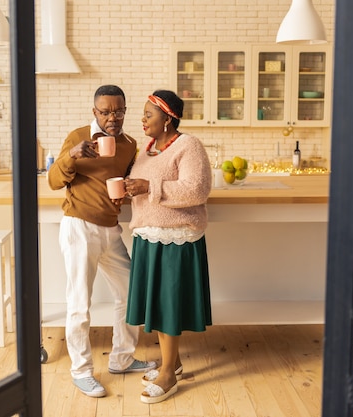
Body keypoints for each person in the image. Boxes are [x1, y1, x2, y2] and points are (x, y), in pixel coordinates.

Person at [47, 85, 156, 398]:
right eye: (106, 112)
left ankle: (122, 359)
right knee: (80, 303)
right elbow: (54, 181)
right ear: (95, 112)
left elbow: (121, 178)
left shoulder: (129, 144)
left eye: (118, 111)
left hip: (109, 230)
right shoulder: (78, 137)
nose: (113, 117)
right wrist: (72, 155)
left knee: (130, 291)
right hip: (79, 227)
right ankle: (81, 372)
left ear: (124, 110)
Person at [124, 89, 213, 404]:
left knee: (167, 306)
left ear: (167, 119)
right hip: (149, 237)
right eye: (144, 114)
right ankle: (171, 362)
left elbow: (196, 191)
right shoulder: (147, 149)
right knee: (158, 306)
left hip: (176, 238)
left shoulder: (188, 146)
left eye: (149, 114)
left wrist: (148, 187)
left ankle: (168, 375)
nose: (143, 119)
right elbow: (145, 186)